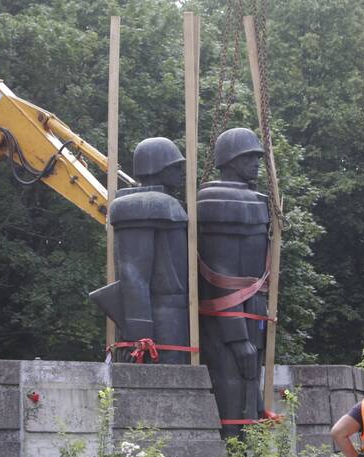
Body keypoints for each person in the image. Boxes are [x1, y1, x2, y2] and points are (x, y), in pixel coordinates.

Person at [89, 137, 190, 363]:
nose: (180, 172)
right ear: (157, 166)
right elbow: (134, 276)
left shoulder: (167, 203)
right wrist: (140, 334)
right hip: (159, 320)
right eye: (174, 166)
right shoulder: (140, 206)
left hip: (176, 316)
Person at [196, 128, 270, 437]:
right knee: (231, 378)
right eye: (249, 157)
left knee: (251, 383)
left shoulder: (258, 199)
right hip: (229, 315)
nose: (256, 163)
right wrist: (237, 335)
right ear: (231, 160)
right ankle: (233, 454)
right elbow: (220, 275)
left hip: (255, 308)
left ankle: (247, 454)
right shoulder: (217, 201)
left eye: (257, 157)